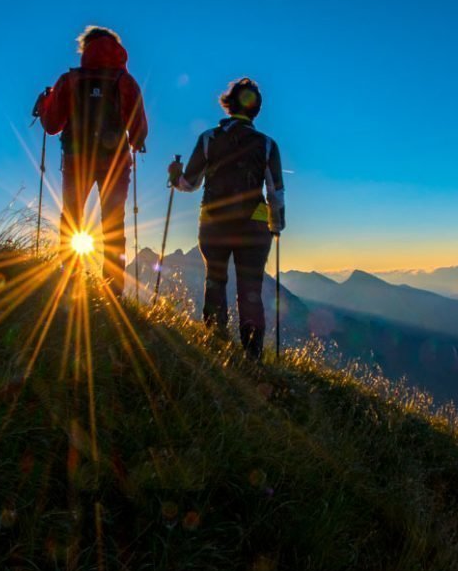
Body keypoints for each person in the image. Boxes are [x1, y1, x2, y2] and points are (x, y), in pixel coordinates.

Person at [168, 78, 285, 360]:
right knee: (251, 288)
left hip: (214, 222)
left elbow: (189, 183)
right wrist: (276, 225)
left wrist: (174, 175)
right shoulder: (267, 145)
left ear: (229, 104)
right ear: (256, 109)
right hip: (254, 226)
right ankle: (253, 354)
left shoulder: (209, 138)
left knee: (215, 280)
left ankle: (215, 343)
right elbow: (276, 193)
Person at [33, 26, 148, 297]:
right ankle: (114, 289)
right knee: (113, 222)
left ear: (85, 48)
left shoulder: (70, 80)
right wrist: (134, 142)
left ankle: (70, 276)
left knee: (72, 216)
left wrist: (45, 105)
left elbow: (52, 126)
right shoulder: (125, 81)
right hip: (116, 163)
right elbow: (139, 133)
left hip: (76, 159)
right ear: (118, 50)